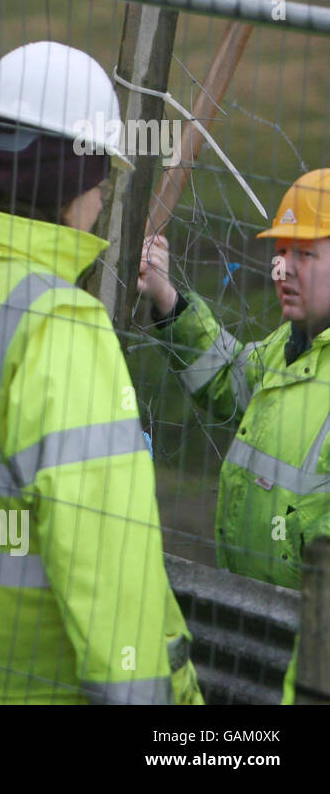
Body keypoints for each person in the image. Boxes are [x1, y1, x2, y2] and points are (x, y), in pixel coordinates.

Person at [0, 41, 201, 704]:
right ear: (70, 176)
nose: (103, 190)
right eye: (101, 170)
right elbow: (107, 574)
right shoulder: (62, 328)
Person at [140, 167, 330, 703]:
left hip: (309, 656)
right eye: (283, 252)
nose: (283, 268)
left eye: (305, 255)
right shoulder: (288, 347)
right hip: (247, 629)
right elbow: (227, 379)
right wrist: (167, 300)